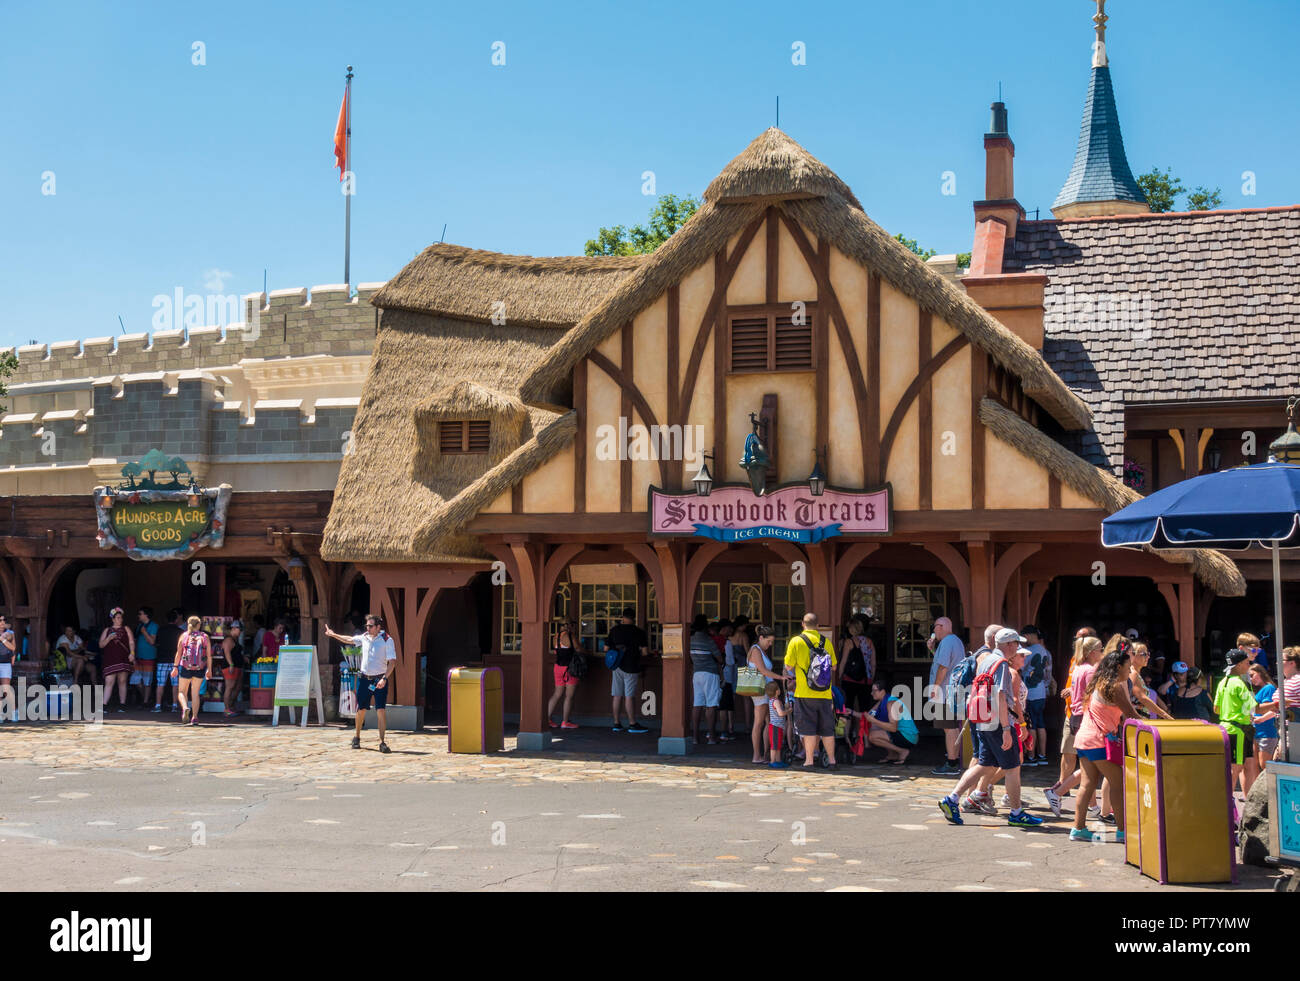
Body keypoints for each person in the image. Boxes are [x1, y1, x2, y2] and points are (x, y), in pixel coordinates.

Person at [937, 627, 1043, 828]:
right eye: (1016, 644)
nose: (1018, 647)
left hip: (982, 721)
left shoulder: (984, 660)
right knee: (1012, 767)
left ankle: (951, 799)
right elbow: (1000, 697)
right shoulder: (1001, 664)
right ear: (1009, 645)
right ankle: (1016, 812)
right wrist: (1006, 729)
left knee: (984, 764)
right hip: (996, 722)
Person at [1069, 648, 1140, 843]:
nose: (1130, 669)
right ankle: (1122, 831)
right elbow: (1131, 715)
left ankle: (1078, 828)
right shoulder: (1115, 686)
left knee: (1087, 784)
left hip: (1084, 739)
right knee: (1118, 785)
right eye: (1128, 666)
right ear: (1119, 667)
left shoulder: (1097, 684)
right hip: (1099, 741)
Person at [324, 614, 396, 753]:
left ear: (378, 627)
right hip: (365, 678)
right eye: (366, 626)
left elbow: (392, 662)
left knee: (380, 710)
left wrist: (384, 678)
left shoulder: (387, 640)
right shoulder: (364, 637)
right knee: (361, 709)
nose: (367, 628)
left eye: (370, 626)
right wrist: (333, 634)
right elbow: (350, 639)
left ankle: (382, 742)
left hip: (379, 679)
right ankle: (356, 737)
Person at [783, 612, 838, 770]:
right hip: (825, 693)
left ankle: (809, 761)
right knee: (827, 729)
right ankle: (832, 761)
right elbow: (834, 666)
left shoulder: (796, 641)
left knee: (808, 728)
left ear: (802, 624)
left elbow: (788, 666)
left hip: (804, 692)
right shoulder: (826, 642)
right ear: (818, 626)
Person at [1215, 648, 1260, 796]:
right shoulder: (1239, 683)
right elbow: (1253, 707)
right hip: (1238, 730)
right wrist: (1278, 705)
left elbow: (1216, 709)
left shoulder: (1223, 682)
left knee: (1246, 765)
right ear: (1239, 664)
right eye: (1247, 662)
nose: (1249, 665)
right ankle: (1227, 806)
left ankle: (1245, 806)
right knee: (1235, 768)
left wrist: (1231, 709)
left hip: (1225, 727)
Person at [927, 616, 968, 775]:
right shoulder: (955, 641)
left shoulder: (946, 642)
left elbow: (943, 667)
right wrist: (932, 650)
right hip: (954, 691)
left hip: (945, 692)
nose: (933, 631)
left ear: (941, 626)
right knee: (952, 727)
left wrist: (935, 687)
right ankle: (954, 760)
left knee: (948, 728)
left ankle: (951, 763)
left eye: (935, 627)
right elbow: (944, 662)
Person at [607, 607, 650, 734]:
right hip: (632, 666)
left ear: (623, 617)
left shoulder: (614, 630)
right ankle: (632, 724)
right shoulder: (639, 632)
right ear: (633, 618)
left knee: (617, 695)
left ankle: (616, 723)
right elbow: (645, 652)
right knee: (629, 696)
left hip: (617, 666)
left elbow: (605, 648)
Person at [746, 625, 783, 764]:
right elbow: (763, 671)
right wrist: (781, 678)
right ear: (761, 638)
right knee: (759, 722)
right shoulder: (755, 650)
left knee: (769, 722)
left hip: (766, 690)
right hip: (760, 690)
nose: (770, 644)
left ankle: (767, 754)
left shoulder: (761, 650)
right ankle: (757, 755)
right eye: (769, 641)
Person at [1256, 647, 1300, 761]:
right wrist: (1262, 718)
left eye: (1281, 660)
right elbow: (1278, 707)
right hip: (1283, 730)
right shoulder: (1285, 681)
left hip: (1293, 731)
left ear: (1292, 663)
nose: (1277, 663)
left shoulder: (1298, 680)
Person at [862, 678, 918, 764]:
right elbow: (868, 715)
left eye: (874, 691)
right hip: (901, 733)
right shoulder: (882, 702)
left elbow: (893, 728)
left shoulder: (891, 703)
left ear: (882, 691)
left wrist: (874, 720)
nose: (871, 693)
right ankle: (892, 755)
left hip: (909, 737)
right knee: (872, 726)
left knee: (872, 735)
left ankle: (902, 751)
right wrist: (851, 712)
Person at [170, 615, 211, 726]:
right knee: (195, 693)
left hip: (185, 667)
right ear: (199, 625)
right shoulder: (204, 636)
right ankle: (195, 718)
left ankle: (185, 707)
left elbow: (179, 653)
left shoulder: (184, 636)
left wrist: (175, 667)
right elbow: (209, 656)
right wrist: (209, 670)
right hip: (199, 668)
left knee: (182, 691)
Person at [1021, 625, 1053, 766]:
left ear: (1028, 635)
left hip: (1031, 692)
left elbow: (1020, 667)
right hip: (1040, 691)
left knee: (1031, 725)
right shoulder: (1043, 650)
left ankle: (1031, 756)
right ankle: (1042, 755)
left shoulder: (1029, 651)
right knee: (1040, 724)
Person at [690, 614, 724, 745]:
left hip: (696, 673)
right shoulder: (709, 640)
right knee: (711, 705)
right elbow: (719, 658)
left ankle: (695, 737)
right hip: (710, 673)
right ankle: (711, 737)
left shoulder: (690, 639)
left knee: (697, 704)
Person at [547, 620, 583, 730]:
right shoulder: (570, 636)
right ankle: (565, 722)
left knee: (557, 694)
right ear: (569, 625)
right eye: (572, 625)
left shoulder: (555, 637)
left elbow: (556, 651)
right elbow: (578, 648)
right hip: (570, 668)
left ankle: (546, 719)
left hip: (558, 667)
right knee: (569, 696)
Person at [99, 607, 135, 712]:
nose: (120, 620)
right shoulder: (107, 630)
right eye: (118, 618)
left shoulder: (126, 628)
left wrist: (132, 653)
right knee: (109, 681)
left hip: (123, 658)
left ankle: (122, 704)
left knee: (122, 681)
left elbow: (131, 642)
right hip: (110, 659)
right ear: (113, 619)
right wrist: (109, 638)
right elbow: (101, 645)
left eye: (121, 618)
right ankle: (104, 705)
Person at [837, 615, 875, 714]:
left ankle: (847, 729)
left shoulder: (849, 642)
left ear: (851, 629)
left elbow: (843, 662)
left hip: (849, 679)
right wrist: (871, 678)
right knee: (864, 709)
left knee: (847, 707)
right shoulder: (869, 642)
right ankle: (863, 729)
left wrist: (839, 677)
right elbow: (873, 663)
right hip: (866, 680)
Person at [152, 609, 185, 713]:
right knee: (175, 684)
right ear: (176, 620)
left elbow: (156, 643)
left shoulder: (161, 630)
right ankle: (174, 705)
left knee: (160, 684)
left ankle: (158, 705)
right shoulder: (180, 632)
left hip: (162, 660)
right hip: (175, 661)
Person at [1129, 644, 1173, 720]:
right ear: (1133, 655)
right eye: (1144, 654)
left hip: (1138, 720)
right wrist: (1165, 715)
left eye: (1148, 654)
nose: (1148, 657)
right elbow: (1143, 698)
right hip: (1135, 722)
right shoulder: (1133, 674)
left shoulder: (1135, 674)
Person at [1250, 663, 1279, 772]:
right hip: (1257, 731)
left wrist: (1261, 719)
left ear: (1260, 672)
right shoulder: (1259, 689)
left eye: (1252, 675)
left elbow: (1270, 708)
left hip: (1267, 732)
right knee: (1256, 764)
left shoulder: (1268, 688)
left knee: (1264, 765)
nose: (1251, 679)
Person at [132, 607, 159, 708]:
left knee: (147, 681)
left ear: (146, 615)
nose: (138, 615)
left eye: (140, 613)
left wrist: (144, 632)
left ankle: (145, 702)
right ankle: (147, 698)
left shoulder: (154, 626)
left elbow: (152, 641)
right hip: (138, 657)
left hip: (149, 657)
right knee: (136, 680)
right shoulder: (139, 626)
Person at [221, 620, 246, 718]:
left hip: (237, 666)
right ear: (234, 629)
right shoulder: (228, 640)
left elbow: (236, 652)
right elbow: (227, 652)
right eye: (239, 630)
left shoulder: (235, 639)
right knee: (230, 687)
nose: (240, 632)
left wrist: (243, 658)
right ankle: (227, 709)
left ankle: (231, 706)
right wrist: (231, 664)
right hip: (230, 667)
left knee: (237, 687)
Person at [765, 680, 788, 768]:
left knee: (778, 745)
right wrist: (788, 711)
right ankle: (772, 761)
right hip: (775, 726)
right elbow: (781, 713)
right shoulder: (776, 701)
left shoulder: (772, 700)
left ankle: (778, 761)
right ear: (776, 691)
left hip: (777, 726)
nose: (779, 689)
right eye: (778, 688)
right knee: (774, 745)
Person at [0, 615, 14, 718]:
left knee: (6, 689)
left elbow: (13, 647)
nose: (2, 622)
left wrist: (2, 639)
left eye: (4, 620)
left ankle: (14, 712)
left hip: (5, 663)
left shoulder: (9, 633)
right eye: (0, 620)